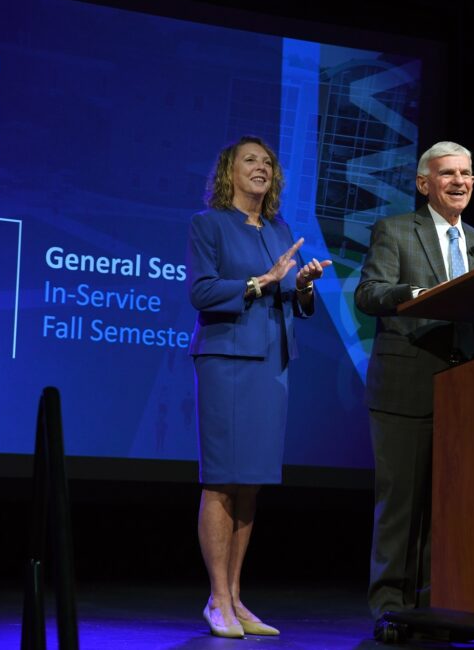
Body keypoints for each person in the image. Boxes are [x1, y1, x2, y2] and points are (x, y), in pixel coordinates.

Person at [186, 136, 331, 638]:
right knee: (223, 479)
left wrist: (304, 284)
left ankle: (235, 598)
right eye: (250, 160)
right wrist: (259, 281)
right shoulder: (210, 225)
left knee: (250, 483)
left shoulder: (278, 228)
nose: (261, 167)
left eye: (268, 162)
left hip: (272, 363)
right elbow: (202, 292)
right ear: (229, 171)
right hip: (227, 361)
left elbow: (290, 296)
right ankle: (217, 600)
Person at [354, 141, 474, 634]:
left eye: (467, 174)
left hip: (463, 395)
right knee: (401, 507)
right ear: (423, 184)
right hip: (403, 388)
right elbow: (368, 293)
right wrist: (413, 296)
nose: (460, 182)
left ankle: (439, 610)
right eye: (448, 173)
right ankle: (390, 609)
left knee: (448, 509)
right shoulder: (395, 230)